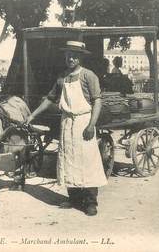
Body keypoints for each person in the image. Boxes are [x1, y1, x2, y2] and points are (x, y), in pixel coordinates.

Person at [26, 40, 107, 216]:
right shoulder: (62, 78)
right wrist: (32, 115)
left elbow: (97, 101)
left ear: (80, 58)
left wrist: (91, 125)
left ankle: (90, 201)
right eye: (68, 55)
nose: (70, 59)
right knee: (68, 159)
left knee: (87, 161)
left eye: (74, 56)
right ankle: (73, 198)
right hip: (67, 122)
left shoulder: (88, 76)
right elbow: (50, 99)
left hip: (83, 122)